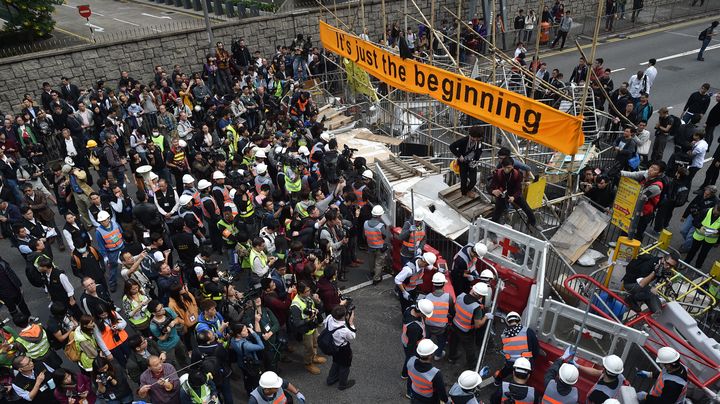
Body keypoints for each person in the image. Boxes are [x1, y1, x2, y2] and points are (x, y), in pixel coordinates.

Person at [448, 282, 491, 369]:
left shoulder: (461, 296)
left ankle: (451, 358)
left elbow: (457, 309)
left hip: (455, 324)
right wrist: (486, 317)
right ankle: (472, 365)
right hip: (466, 331)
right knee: (470, 348)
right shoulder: (476, 308)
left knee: (453, 342)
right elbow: (477, 325)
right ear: (481, 296)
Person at [619, 161, 667, 239]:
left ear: (659, 173)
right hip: (634, 209)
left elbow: (639, 196)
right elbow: (632, 174)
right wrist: (619, 173)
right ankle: (620, 244)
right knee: (625, 228)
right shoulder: (646, 173)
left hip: (644, 213)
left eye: (655, 169)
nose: (651, 170)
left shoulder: (656, 187)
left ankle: (634, 249)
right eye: (651, 167)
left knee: (637, 233)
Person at [290, 281, 326, 375]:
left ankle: (314, 357)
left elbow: (318, 307)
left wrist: (317, 302)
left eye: (309, 290)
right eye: (306, 291)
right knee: (308, 348)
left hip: (313, 326)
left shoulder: (308, 297)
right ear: (300, 292)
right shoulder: (295, 305)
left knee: (315, 342)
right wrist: (309, 319)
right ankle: (308, 363)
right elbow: (297, 323)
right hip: (306, 330)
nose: (309, 293)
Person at [489, 157, 537, 228]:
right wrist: (493, 191)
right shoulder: (497, 174)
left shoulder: (517, 174)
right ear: (502, 166)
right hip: (502, 194)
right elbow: (490, 187)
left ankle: (533, 222)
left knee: (526, 207)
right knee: (497, 212)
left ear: (512, 166)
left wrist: (513, 197)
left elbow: (519, 189)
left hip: (514, 193)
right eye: (505, 167)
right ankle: (491, 229)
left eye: (509, 167)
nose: (507, 169)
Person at [418, 273, 452, 361]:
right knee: (441, 341)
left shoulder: (428, 297)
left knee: (426, 337)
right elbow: (452, 311)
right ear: (444, 284)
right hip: (441, 327)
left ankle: (424, 350)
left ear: (433, 284)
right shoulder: (448, 297)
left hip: (428, 325)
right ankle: (438, 354)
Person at [323, 304, 357, 390]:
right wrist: (351, 322)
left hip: (333, 346)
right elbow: (352, 336)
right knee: (345, 366)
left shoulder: (330, 318)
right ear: (343, 317)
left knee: (336, 362)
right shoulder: (343, 330)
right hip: (343, 349)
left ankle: (330, 379)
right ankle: (342, 385)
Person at [401, 299, 434, 385]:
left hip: (406, 340)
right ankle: (405, 373)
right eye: (425, 314)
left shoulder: (410, 309)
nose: (426, 317)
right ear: (420, 312)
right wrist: (415, 353)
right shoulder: (414, 327)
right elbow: (412, 344)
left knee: (409, 357)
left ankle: (405, 373)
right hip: (412, 345)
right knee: (410, 358)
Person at [406, 339, 448, 403]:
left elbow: (410, 378)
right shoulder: (435, 373)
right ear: (430, 355)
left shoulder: (410, 361)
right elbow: (441, 391)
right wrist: (445, 400)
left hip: (414, 392)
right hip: (429, 398)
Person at [229, 323, 265, 396]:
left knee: (247, 379)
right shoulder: (246, 345)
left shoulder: (233, 339)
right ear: (238, 334)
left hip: (241, 362)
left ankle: (249, 392)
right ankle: (257, 394)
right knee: (254, 380)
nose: (247, 331)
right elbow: (261, 346)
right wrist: (254, 333)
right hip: (251, 364)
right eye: (244, 330)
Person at [449, 126, 484, 198]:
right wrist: (459, 156)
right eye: (473, 137)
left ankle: (467, 191)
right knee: (463, 180)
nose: (475, 139)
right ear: (470, 135)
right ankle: (463, 194)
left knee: (473, 181)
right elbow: (452, 146)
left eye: (477, 138)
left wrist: (476, 159)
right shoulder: (464, 140)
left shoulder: (479, 142)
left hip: (472, 163)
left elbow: (480, 150)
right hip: (463, 162)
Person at [94, 210, 123, 292]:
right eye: (101, 221)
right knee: (113, 268)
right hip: (112, 252)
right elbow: (101, 246)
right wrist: (105, 257)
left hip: (121, 247)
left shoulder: (115, 224)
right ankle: (112, 284)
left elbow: (121, 233)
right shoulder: (98, 232)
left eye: (105, 220)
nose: (104, 222)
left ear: (109, 218)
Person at [686, 202, 720, 269]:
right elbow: (695, 221)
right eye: (717, 211)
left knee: (703, 254)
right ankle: (686, 263)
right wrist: (700, 227)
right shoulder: (705, 211)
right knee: (692, 250)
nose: (717, 213)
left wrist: (718, 232)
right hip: (699, 236)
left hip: (710, 240)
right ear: (715, 207)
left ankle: (698, 267)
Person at [364, 205, 392, 285]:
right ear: (380, 215)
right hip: (380, 248)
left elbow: (365, 234)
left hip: (370, 246)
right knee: (379, 263)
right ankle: (376, 278)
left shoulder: (365, 223)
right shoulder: (380, 226)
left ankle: (372, 272)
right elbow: (385, 235)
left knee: (371, 261)